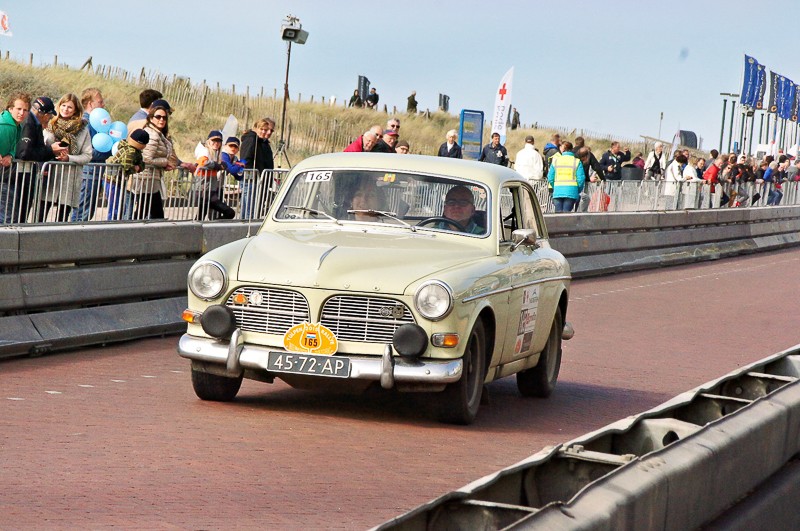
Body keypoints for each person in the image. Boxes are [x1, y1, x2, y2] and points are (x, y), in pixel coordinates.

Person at [40, 93, 92, 222]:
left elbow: (87, 155)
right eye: (63, 105)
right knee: (40, 215)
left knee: (62, 219)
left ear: (75, 110)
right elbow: (41, 146)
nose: (66, 109)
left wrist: (69, 158)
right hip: (50, 175)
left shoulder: (83, 129)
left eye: (70, 107)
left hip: (69, 179)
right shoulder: (49, 124)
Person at [11, 96, 56, 223]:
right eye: (49, 115)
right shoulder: (30, 123)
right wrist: (50, 150)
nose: (49, 118)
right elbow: (24, 153)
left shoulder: (33, 122)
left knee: (18, 216)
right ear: (44, 114)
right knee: (17, 217)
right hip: (21, 176)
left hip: (23, 176)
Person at [128, 103, 175, 220]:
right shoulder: (152, 134)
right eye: (158, 117)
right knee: (150, 212)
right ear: (151, 118)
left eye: (164, 117)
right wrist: (165, 162)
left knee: (146, 212)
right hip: (145, 179)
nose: (161, 120)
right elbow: (147, 158)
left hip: (150, 179)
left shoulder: (158, 134)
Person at [72, 88, 110, 222]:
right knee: (82, 211)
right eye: (100, 102)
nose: (103, 104)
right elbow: (86, 151)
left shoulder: (97, 122)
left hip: (94, 172)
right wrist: (108, 150)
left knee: (87, 211)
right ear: (90, 103)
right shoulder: (85, 123)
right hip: (88, 172)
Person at [0, 92, 30, 223]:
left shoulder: (16, 126)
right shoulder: (5, 125)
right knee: (7, 217)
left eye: (25, 110)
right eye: (18, 109)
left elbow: (13, 147)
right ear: (10, 109)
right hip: (3, 177)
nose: (21, 113)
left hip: (5, 174)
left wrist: (10, 155)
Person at [194, 130, 235, 220]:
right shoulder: (205, 151)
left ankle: (212, 225)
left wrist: (221, 164)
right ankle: (216, 224)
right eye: (214, 140)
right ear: (208, 141)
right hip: (204, 191)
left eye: (219, 141)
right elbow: (203, 162)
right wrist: (218, 166)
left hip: (210, 190)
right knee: (230, 213)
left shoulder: (215, 154)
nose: (216, 143)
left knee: (200, 218)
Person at [239, 117, 275, 219]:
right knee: (250, 211)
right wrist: (253, 175)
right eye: (263, 129)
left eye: (269, 130)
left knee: (252, 210)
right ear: (256, 128)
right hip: (252, 180)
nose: (266, 132)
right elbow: (245, 158)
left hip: (259, 180)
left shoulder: (263, 142)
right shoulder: (251, 139)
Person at [547, 141, 586, 213]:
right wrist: (577, 190)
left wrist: (554, 186)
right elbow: (581, 179)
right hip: (571, 191)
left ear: (563, 149)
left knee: (558, 214)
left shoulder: (556, 161)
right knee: (566, 213)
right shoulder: (577, 161)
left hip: (558, 190)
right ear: (571, 149)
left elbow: (550, 177)